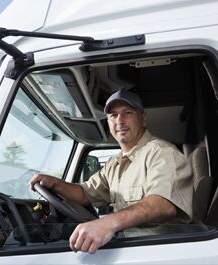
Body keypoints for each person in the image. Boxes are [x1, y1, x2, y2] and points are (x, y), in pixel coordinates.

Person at [29, 89, 193, 254]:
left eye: (127, 113)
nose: (119, 121)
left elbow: (163, 205)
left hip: (161, 251)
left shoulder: (161, 152)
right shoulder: (114, 163)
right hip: (128, 247)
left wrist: (107, 223)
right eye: (113, 116)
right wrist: (55, 183)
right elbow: (85, 194)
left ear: (143, 119)